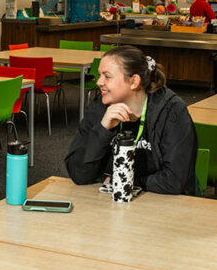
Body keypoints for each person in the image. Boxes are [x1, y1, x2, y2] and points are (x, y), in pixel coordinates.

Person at [65, 46, 198, 195]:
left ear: (134, 81)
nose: (99, 82)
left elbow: (174, 181)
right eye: (99, 75)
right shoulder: (99, 107)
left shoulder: (172, 111)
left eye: (107, 76)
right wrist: (102, 129)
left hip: (162, 206)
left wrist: (122, 180)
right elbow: (78, 174)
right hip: (110, 203)